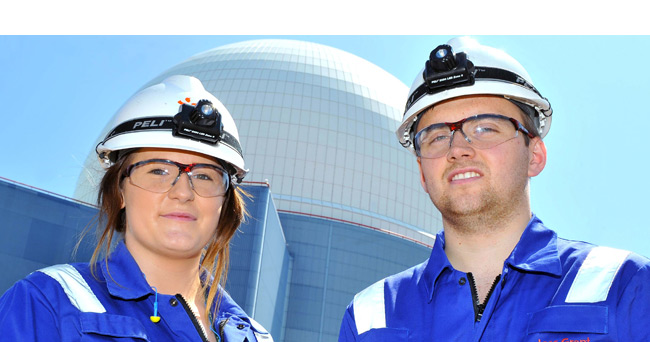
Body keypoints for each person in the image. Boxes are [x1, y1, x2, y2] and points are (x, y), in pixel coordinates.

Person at [339, 37, 650, 341]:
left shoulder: (625, 286)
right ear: (422, 172)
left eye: (485, 128)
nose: (458, 148)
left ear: (535, 155)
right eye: (436, 136)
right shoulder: (370, 319)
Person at [0, 75, 273, 341]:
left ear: (224, 202)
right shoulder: (46, 304)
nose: (183, 192)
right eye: (158, 171)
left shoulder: (255, 336)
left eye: (205, 176)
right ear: (119, 191)